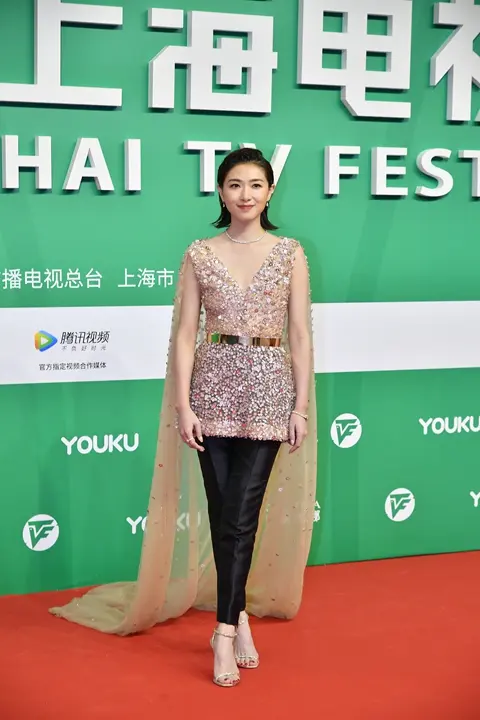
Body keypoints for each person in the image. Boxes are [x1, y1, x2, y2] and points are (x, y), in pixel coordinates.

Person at [50, 148, 317, 688]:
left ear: (270, 192)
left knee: (243, 514)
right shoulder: (200, 253)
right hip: (211, 392)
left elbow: (300, 335)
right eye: (235, 184)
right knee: (224, 514)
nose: (245, 194)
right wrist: (183, 404)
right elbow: (185, 335)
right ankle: (238, 617)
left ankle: (223, 631)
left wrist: (300, 406)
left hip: (269, 391)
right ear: (221, 192)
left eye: (256, 184)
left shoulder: (290, 254)